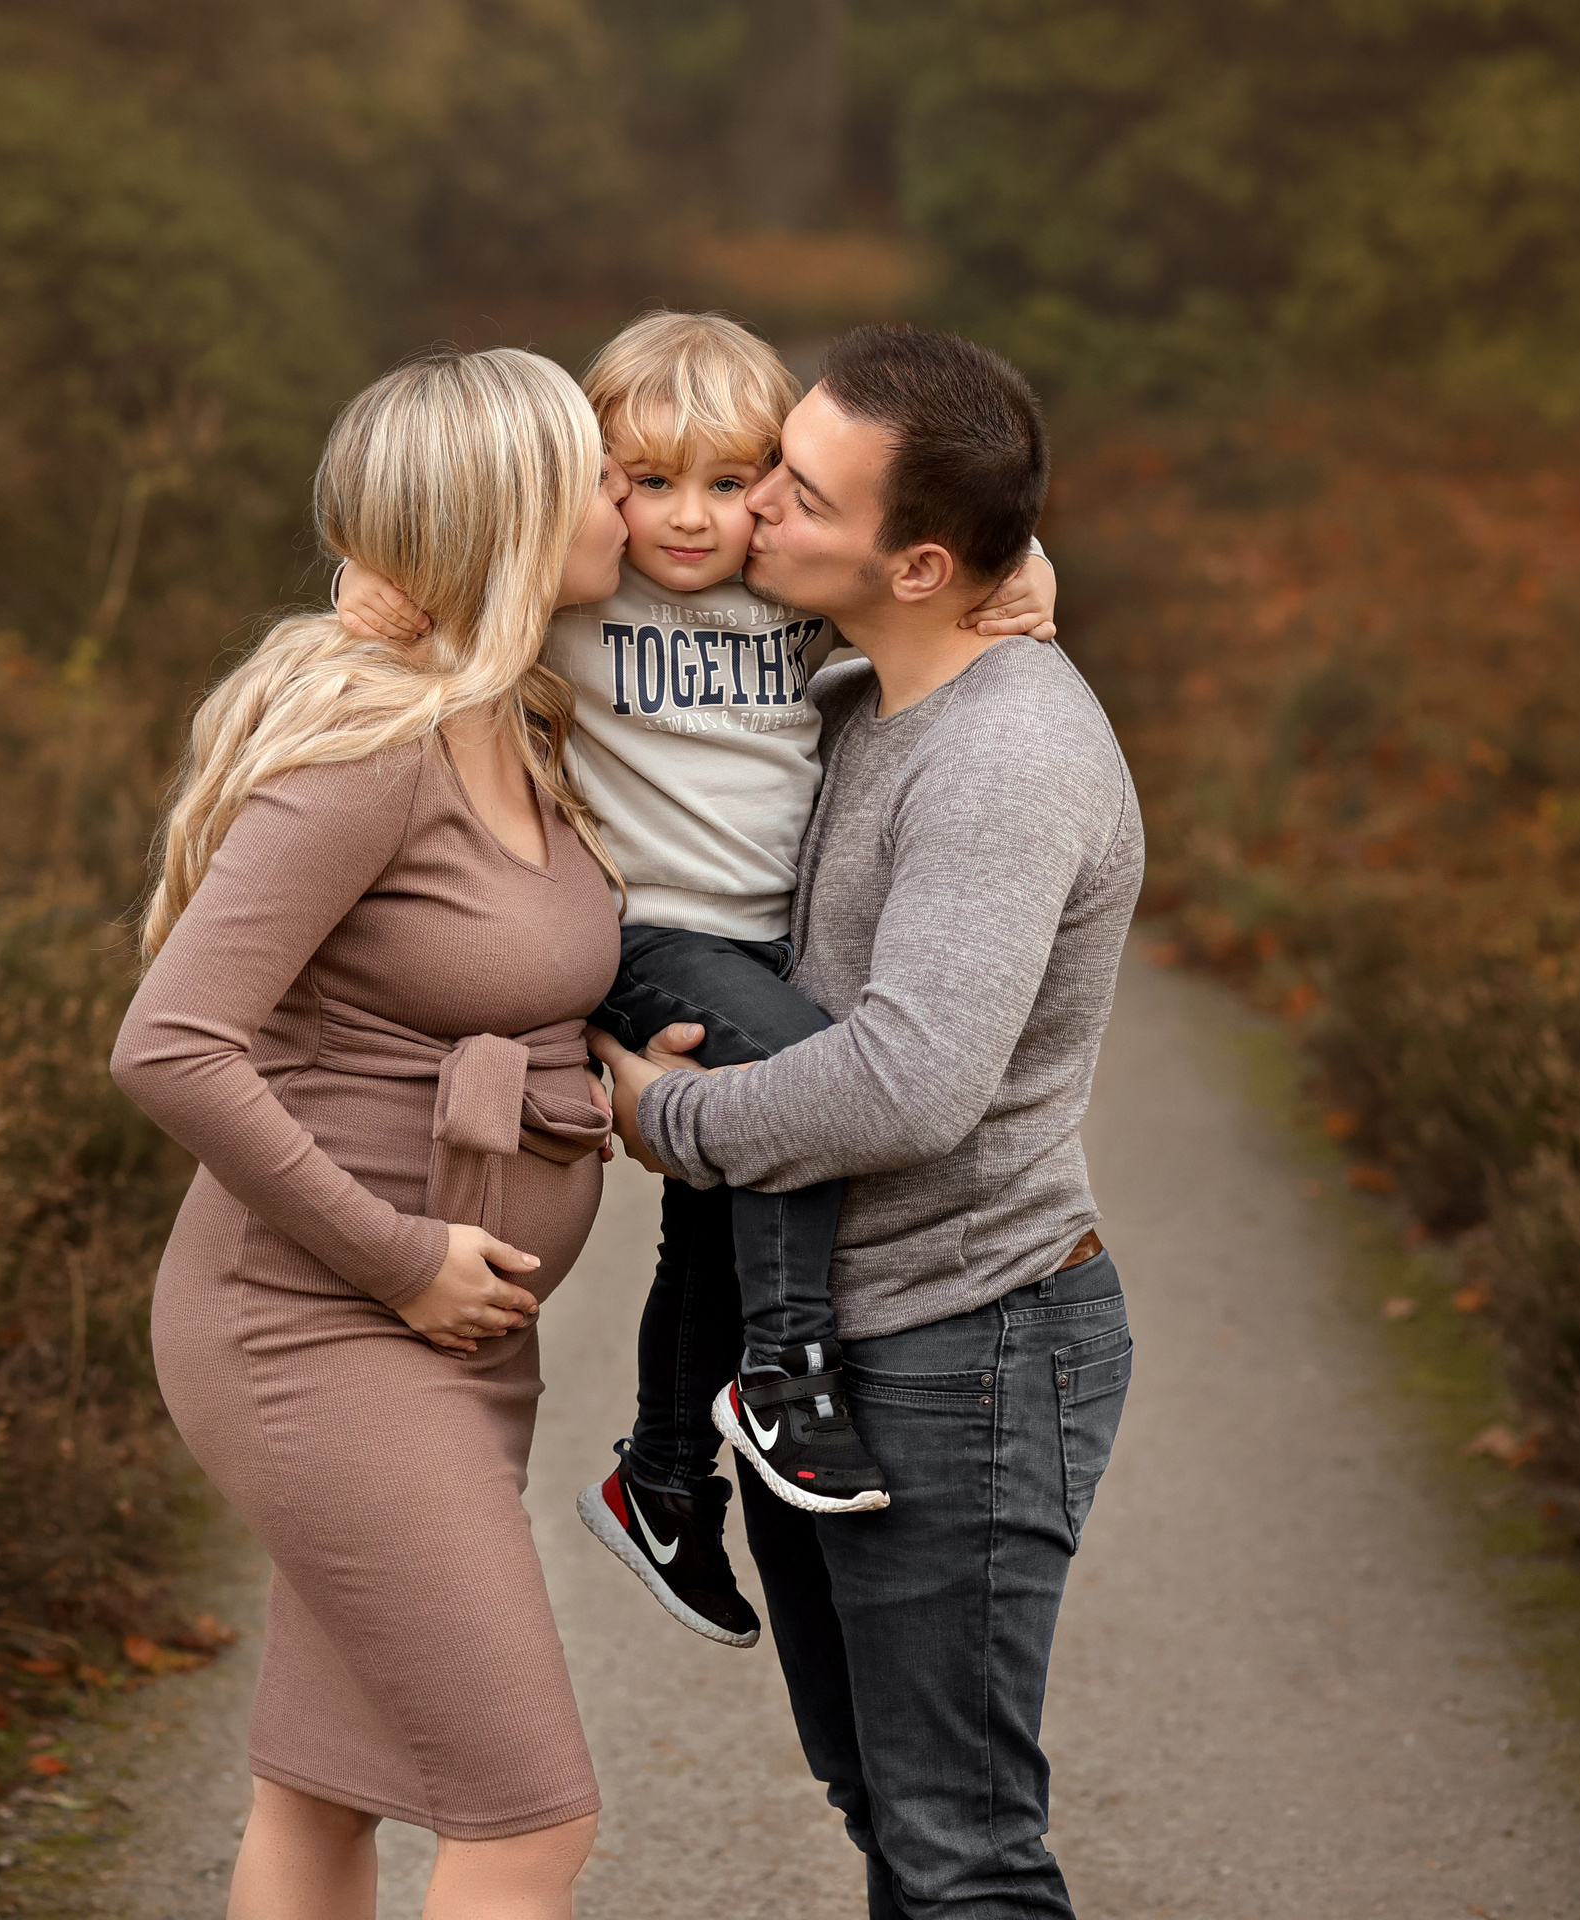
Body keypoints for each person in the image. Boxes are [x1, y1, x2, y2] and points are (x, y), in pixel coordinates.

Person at [337, 311, 1059, 1653]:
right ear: (599, 485)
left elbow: (931, 536)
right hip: (647, 939)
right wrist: (368, 587)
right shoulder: (584, 597)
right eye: (648, 481)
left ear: (777, 491)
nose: (687, 519)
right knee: (801, 1092)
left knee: (718, 1214)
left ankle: (664, 1481)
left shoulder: (789, 598)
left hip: (771, 941)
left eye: (730, 485)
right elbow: (448, 554)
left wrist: (1038, 578)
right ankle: (786, 1376)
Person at [595, 322, 1145, 1920]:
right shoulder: (852, 696)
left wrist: (672, 1120)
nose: (751, 509)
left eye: (796, 493)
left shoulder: (1008, 755)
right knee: (889, 1815)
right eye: (773, 466)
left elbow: (909, 1082)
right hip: (842, 1360)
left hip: (966, 1352)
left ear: (912, 565)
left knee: (960, 1846)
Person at [110, 346, 632, 1920]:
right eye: (600, 477)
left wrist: (1009, 581)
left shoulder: (530, 724)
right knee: (529, 1817)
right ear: (521, 519)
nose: (630, 502)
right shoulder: (371, 752)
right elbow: (171, 1045)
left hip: (449, 1338)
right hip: (314, 1323)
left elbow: (797, 601)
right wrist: (403, 1260)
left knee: (327, 1788)